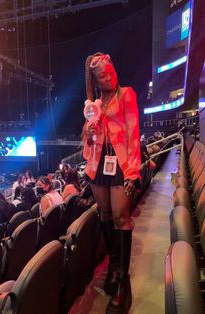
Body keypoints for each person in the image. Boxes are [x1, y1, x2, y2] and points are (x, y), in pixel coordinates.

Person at [82, 52, 141, 314]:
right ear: (94, 80)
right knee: (105, 214)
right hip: (98, 164)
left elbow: (133, 133)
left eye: (110, 70)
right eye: (102, 75)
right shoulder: (92, 103)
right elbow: (88, 139)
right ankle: (115, 269)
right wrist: (90, 131)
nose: (109, 76)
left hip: (121, 162)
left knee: (120, 216)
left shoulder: (126, 94)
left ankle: (123, 282)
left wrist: (132, 173)